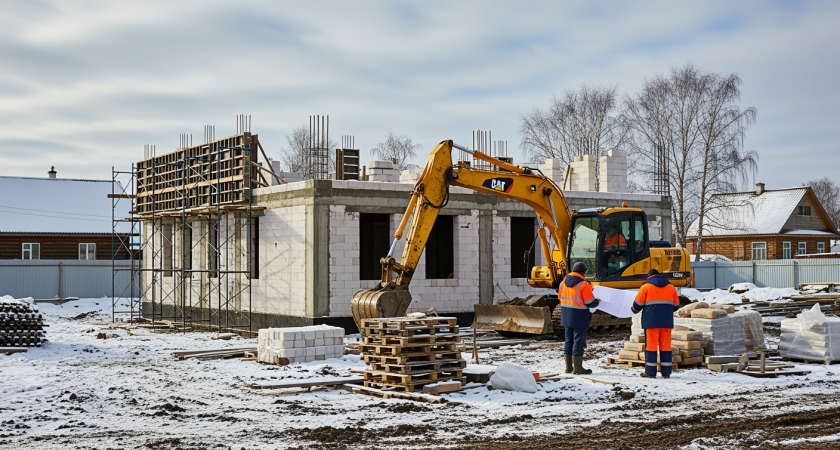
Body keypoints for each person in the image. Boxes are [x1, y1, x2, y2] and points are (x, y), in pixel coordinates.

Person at [631, 269, 681, 378]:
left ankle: (650, 372)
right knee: (666, 347)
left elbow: (637, 305)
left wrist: (633, 309)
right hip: (666, 322)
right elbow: (676, 305)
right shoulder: (671, 287)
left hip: (651, 322)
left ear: (649, 277)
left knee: (651, 347)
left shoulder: (646, 287)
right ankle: (666, 373)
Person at [560, 261, 601, 374]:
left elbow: (560, 297)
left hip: (566, 315)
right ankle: (578, 368)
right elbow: (589, 302)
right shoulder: (584, 284)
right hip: (579, 316)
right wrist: (597, 302)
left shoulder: (563, 282)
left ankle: (568, 368)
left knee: (568, 340)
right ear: (584, 272)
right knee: (578, 341)